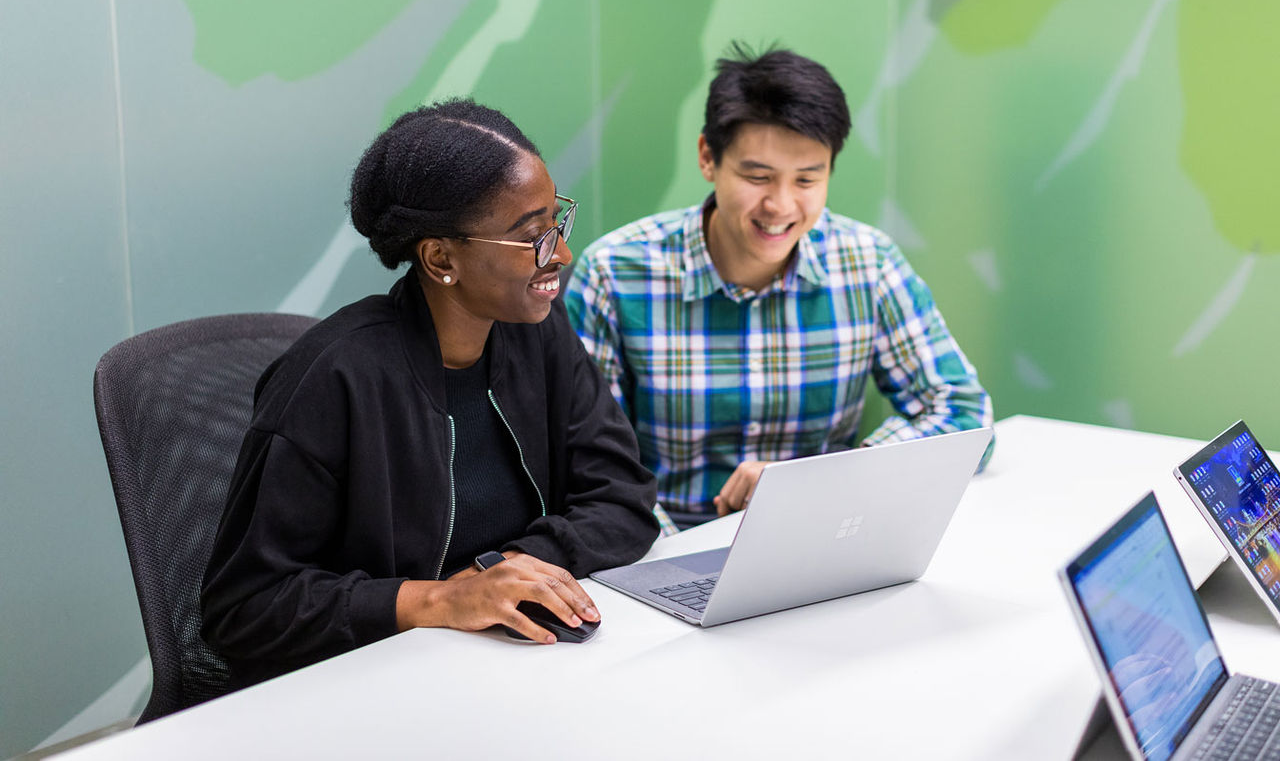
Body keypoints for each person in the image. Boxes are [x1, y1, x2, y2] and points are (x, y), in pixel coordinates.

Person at [202, 99, 659, 688]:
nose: (562, 256)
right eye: (533, 237)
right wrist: (438, 601)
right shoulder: (333, 377)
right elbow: (245, 610)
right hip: (364, 691)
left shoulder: (538, 333)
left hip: (507, 668)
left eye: (557, 224)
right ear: (441, 258)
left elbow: (623, 499)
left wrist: (503, 569)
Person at [565, 45, 992, 529]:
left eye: (807, 180)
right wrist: (666, 556)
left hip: (825, 536)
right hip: (669, 542)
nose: (781, 206)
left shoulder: (868, 264)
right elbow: (591, 466)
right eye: (758, 176)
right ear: (708, 157)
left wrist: (820, 478)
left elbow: (966, 417)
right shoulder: (615, 273)